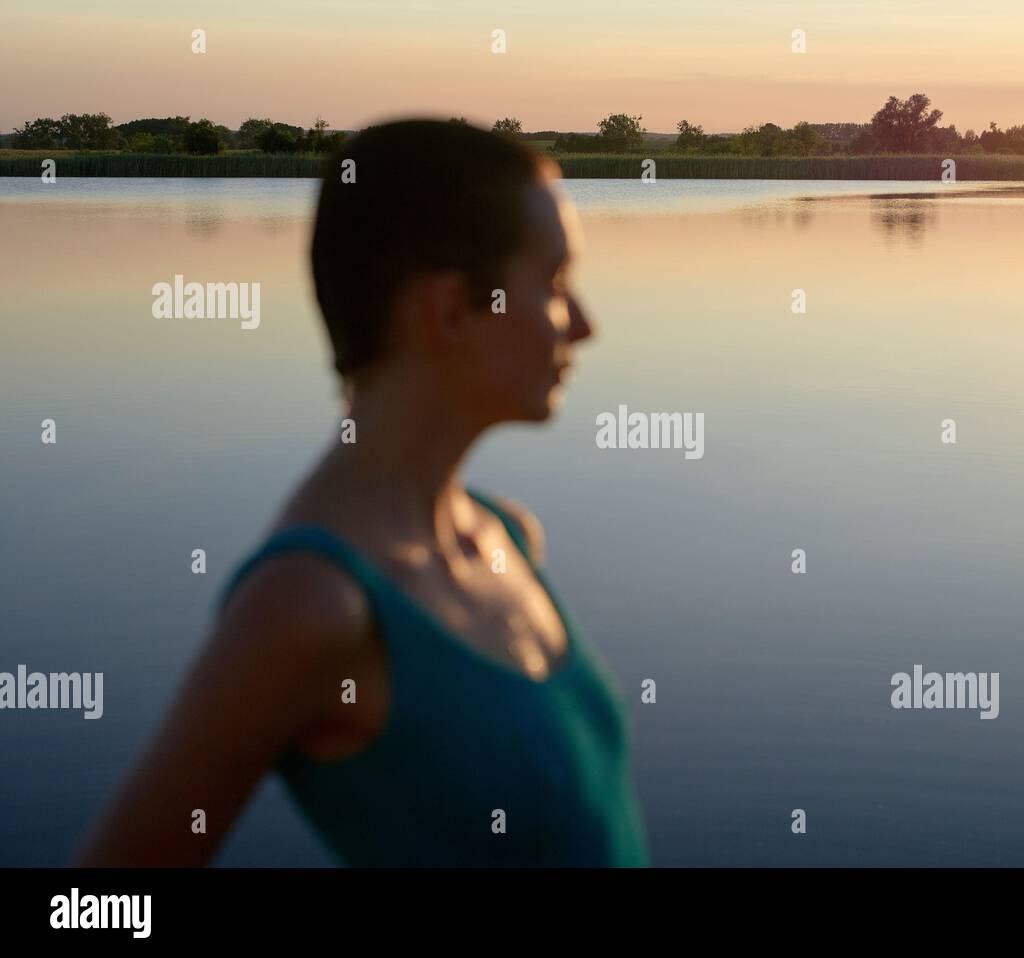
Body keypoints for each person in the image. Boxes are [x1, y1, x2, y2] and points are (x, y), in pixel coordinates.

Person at [74, 119, 651, 867]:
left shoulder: (507, 536)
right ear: (452, 311)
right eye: (555, 283)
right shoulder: (311, 605)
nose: (584, 325)